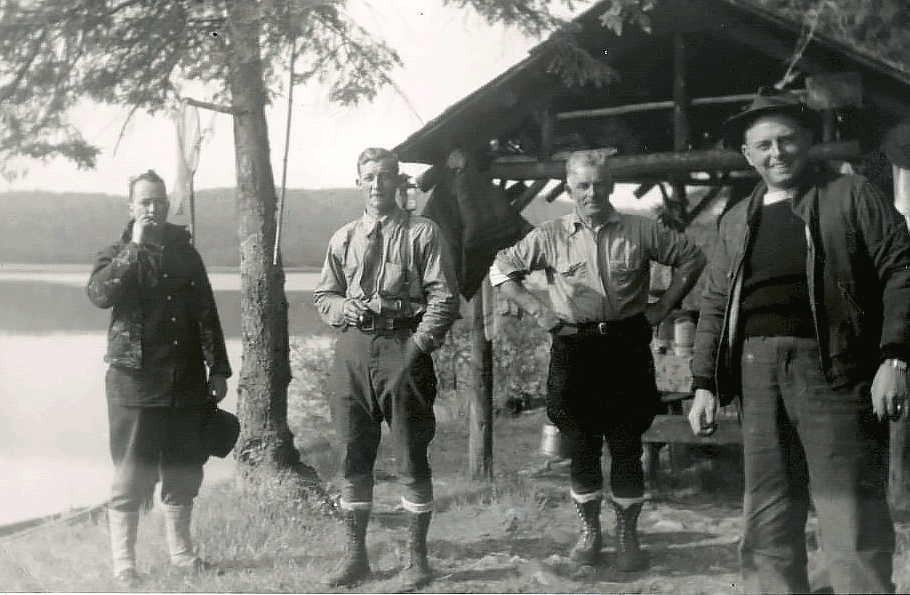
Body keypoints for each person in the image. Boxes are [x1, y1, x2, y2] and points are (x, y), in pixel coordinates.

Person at [687, 88, 910, 594]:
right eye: (763, 145)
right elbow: (716, 304)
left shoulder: (850, 196)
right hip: (756, 374)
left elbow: (902, 269)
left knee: (850, 516)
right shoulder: (737, 218)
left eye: (786, 140)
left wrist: (894, 357)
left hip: (835, 370)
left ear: (808, 141)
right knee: (767, 516)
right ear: (748, 155)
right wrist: (704, 382)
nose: (776, 153)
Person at [491, 148, 706, 571]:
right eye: (584, 185)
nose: (593, 193)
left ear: (611, 186)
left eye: (601, 184)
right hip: (574, 348)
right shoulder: (550, 235)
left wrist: (663, 309)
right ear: (570, 188)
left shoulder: (641, 230)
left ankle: (628, 536)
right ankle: (590, 534)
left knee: (627, 446)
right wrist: (538, 310)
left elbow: (692, 258)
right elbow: (501, 271)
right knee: (583, 446)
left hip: (627, 346)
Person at [314, 148, 459, 590]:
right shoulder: (343, 237)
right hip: (353, 350)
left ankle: (417, 560)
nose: (377, 185)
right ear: (359, 182)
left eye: (385, 176)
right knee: (353, 452)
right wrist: (344, 309)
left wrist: (418, 344)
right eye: (369, 177)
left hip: (403, 344)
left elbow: (444, 297)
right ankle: (355, 557)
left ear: (400, 182)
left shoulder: (423, 232)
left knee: (411, 454)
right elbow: (324, 297)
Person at [87, 170, 232, 586]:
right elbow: (100, 296)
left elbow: (206, 311)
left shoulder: (186, 253)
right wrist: (134, 248)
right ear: (130, 207)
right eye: (145, 203)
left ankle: (182, 557)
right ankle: (124, 565)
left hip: (185, 380)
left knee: (185, 469)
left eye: (160, 203)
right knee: (131, 474)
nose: (153, 211)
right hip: (133, 382)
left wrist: (218, 367)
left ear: (168, 206)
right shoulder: (115, 253)